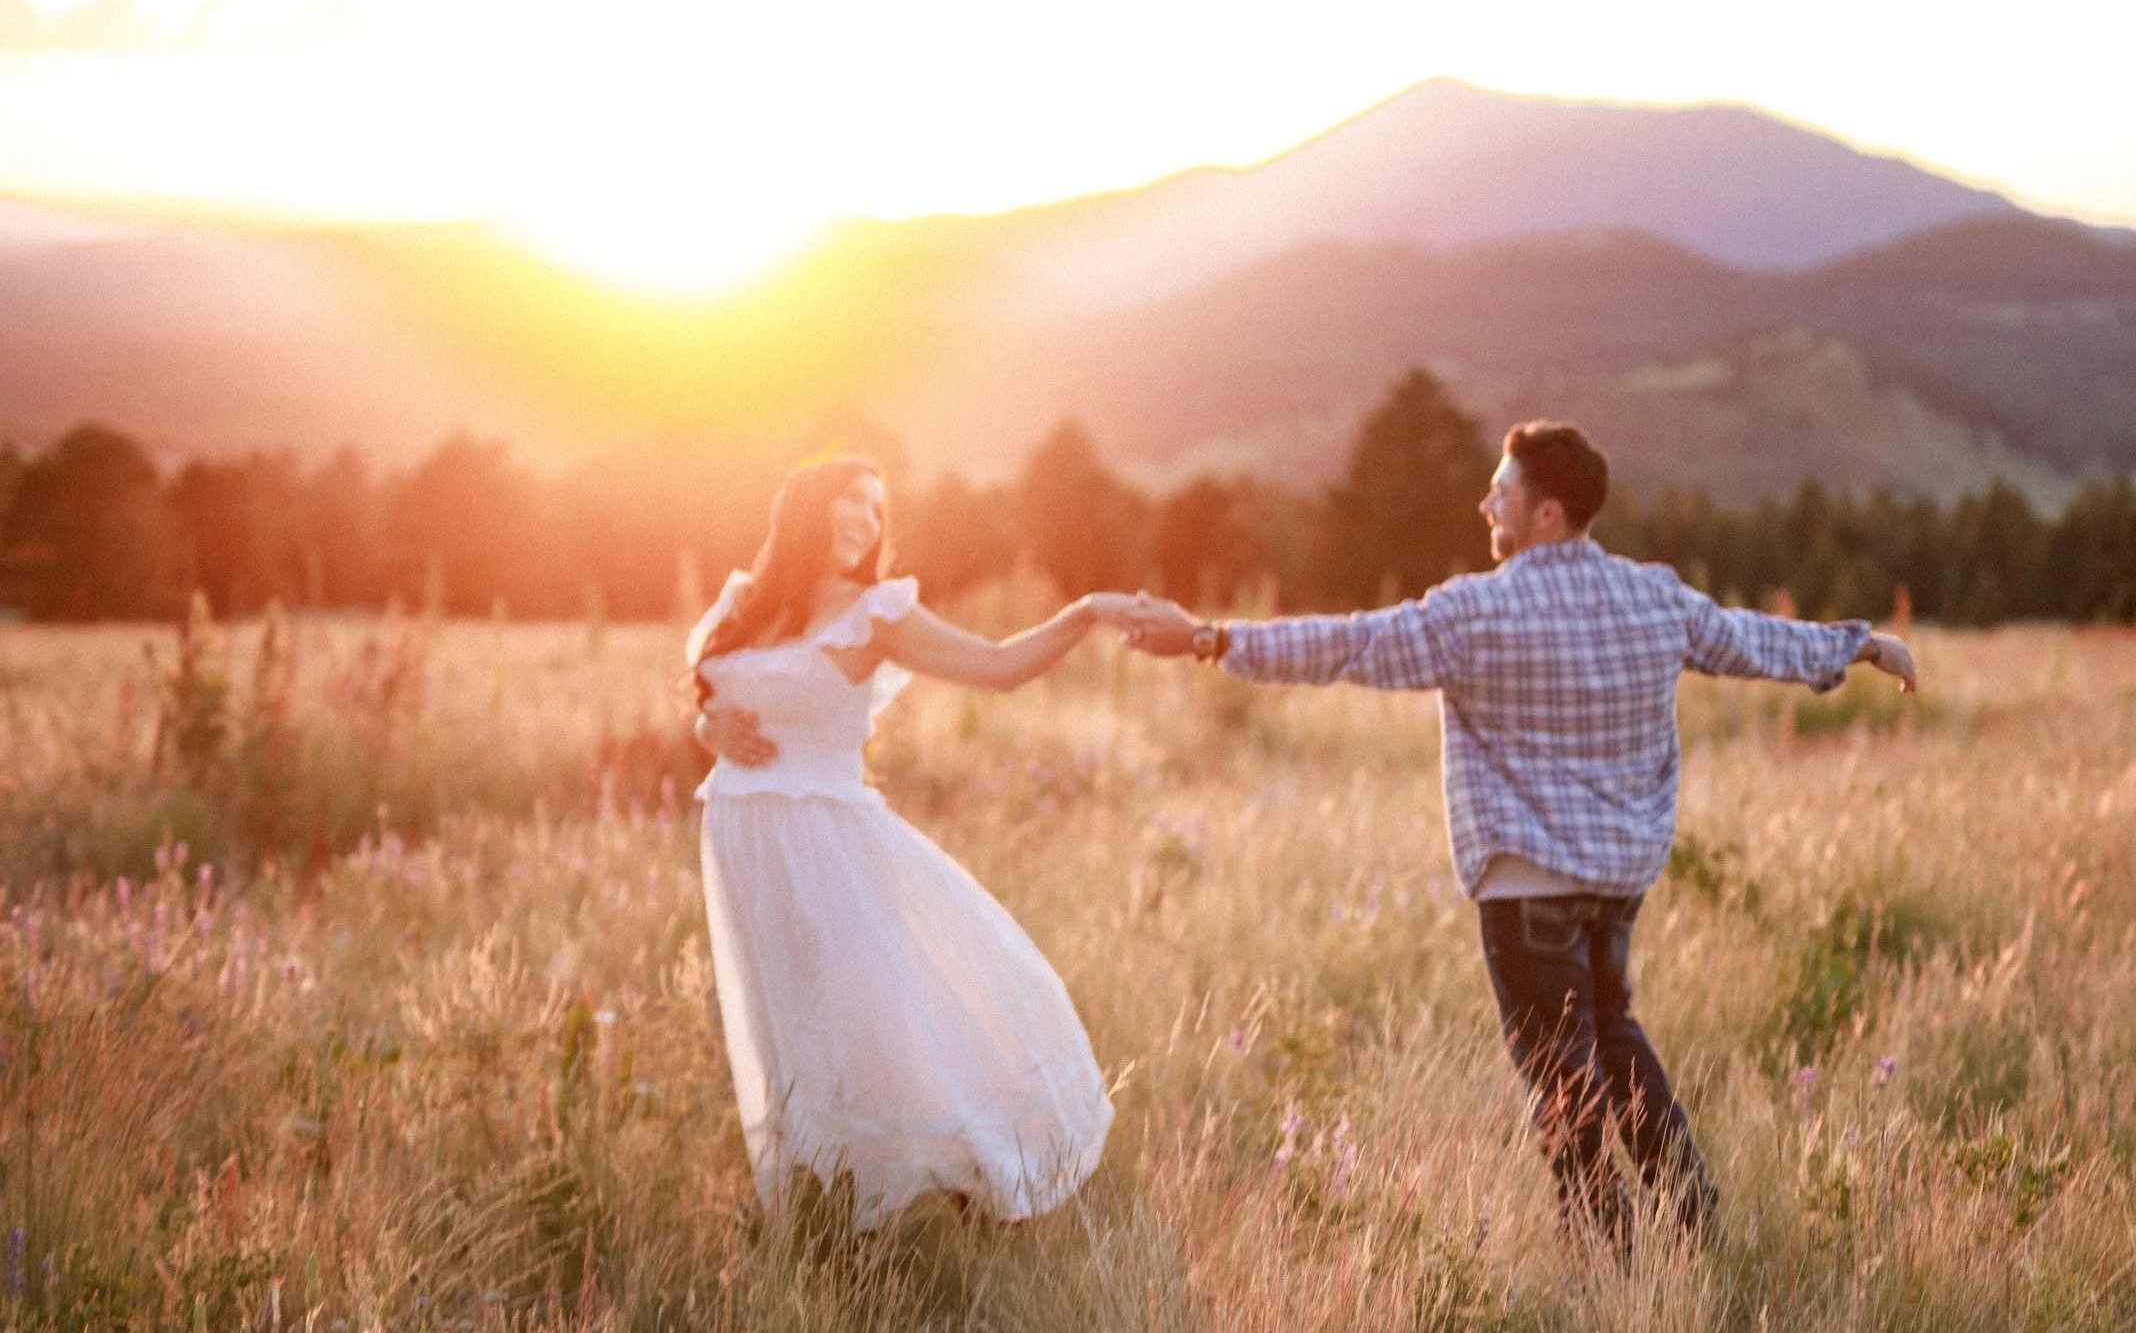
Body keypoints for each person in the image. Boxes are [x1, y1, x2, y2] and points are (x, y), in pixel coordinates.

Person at [1118, 421, 1916, 1249]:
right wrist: (1859, 644)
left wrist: (1212, 638)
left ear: (1547, 514)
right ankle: (1690, 1219)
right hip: (1617, 880)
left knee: (1565, 1083)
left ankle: (1607, 1265)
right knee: (1612, 1038)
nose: (1485, 504)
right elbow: (1756, 640)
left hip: (1527, 885)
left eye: (1501, 492)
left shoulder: (1479, 610)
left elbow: (1351, 644)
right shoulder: (1655, 597)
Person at [688, 455, 1129, 1229]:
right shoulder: (746, 604)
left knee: (877, 1017)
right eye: (849, 501)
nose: (863, 518)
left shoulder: (879, 615)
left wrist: (1085, 610)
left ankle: (967, 1177)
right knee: (787, 1024)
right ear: (804, 509)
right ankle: (822, 1209)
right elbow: (709, 700)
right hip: (743, 844)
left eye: (875, 507)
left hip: (828, 844)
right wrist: (704, 726)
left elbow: (997, 668)